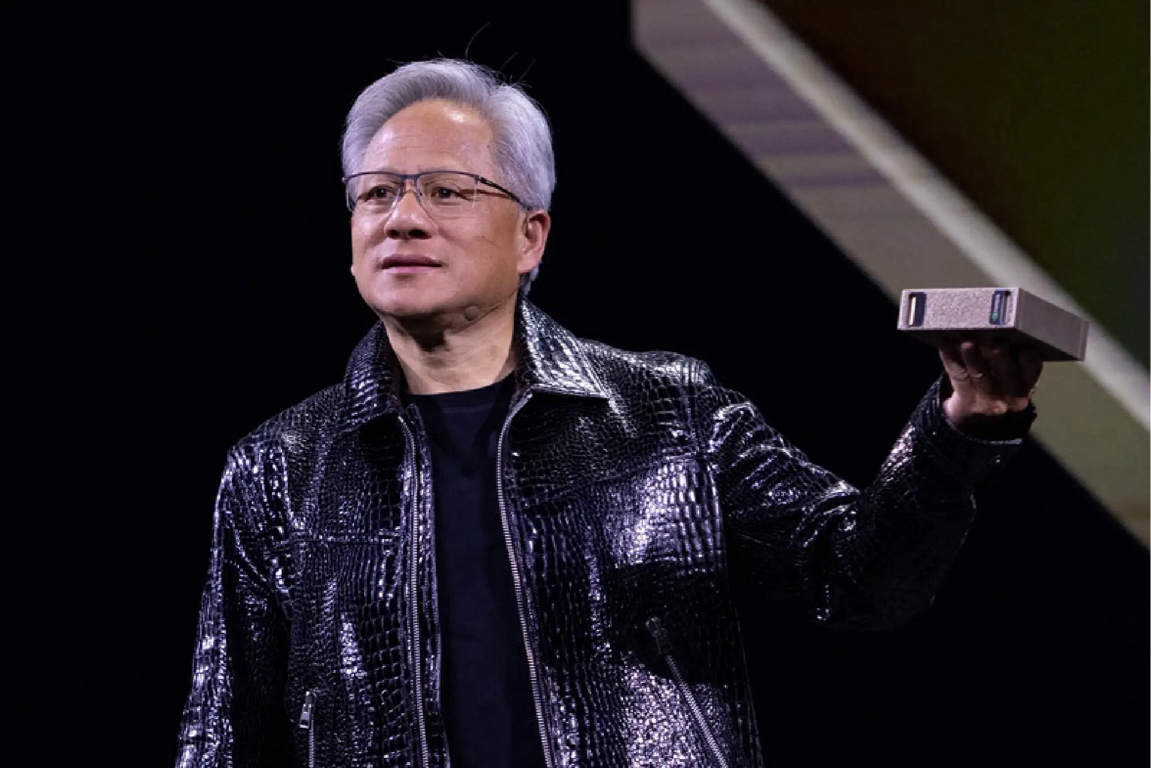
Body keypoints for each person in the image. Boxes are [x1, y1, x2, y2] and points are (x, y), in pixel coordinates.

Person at [175, 58, 1040, 768]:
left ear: (530, 236)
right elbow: (222, 732)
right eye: (375, 193)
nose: (401, 218)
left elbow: (858, 581)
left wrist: (961, 429)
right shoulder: (280, 465)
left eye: (445, 191)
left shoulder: (670, 412)